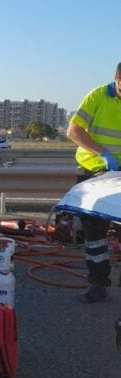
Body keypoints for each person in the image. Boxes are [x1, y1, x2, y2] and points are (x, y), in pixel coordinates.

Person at [66, 61, 121, 304]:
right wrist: (102, 153)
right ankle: (97, 284)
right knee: (95, 233)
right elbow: (74, 131)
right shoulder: (99, 96)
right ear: (116, 79)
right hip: (95, 171)